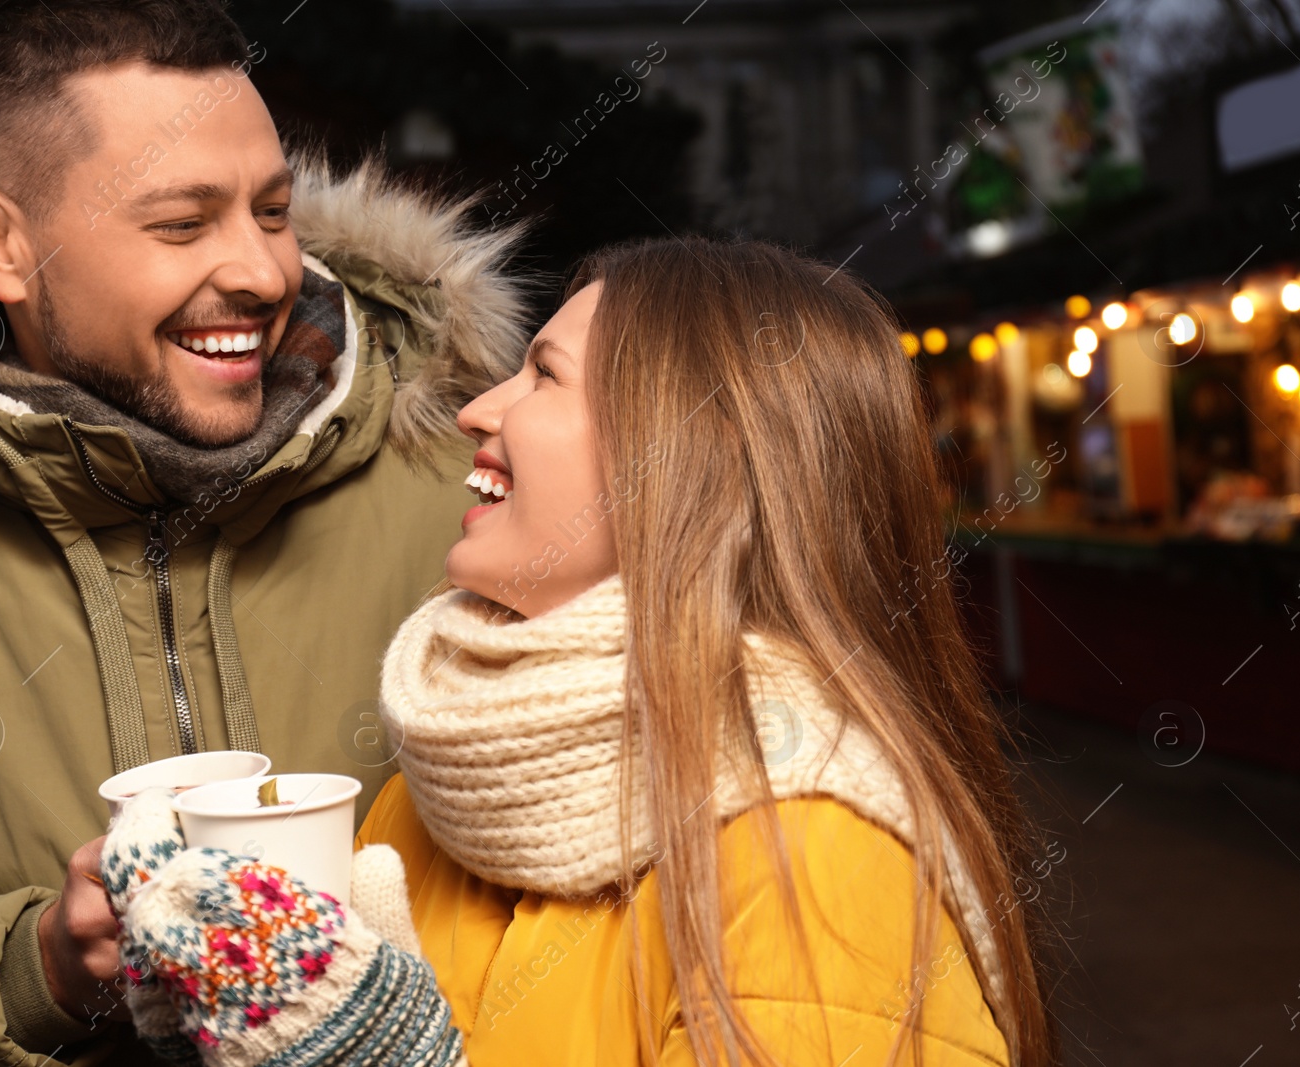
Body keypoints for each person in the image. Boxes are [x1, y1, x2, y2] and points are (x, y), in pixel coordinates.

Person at [0, 1, 526, 1063]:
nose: (264, 274)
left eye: (272, 210)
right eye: (181, 223)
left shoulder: (472, 503)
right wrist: (38, 965)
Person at [101, 237, 1056, 1065]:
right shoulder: (455, 770)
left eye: (545, 374)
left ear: (686, 459)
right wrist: (216, 1001)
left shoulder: (815, 848)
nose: (479, 410)